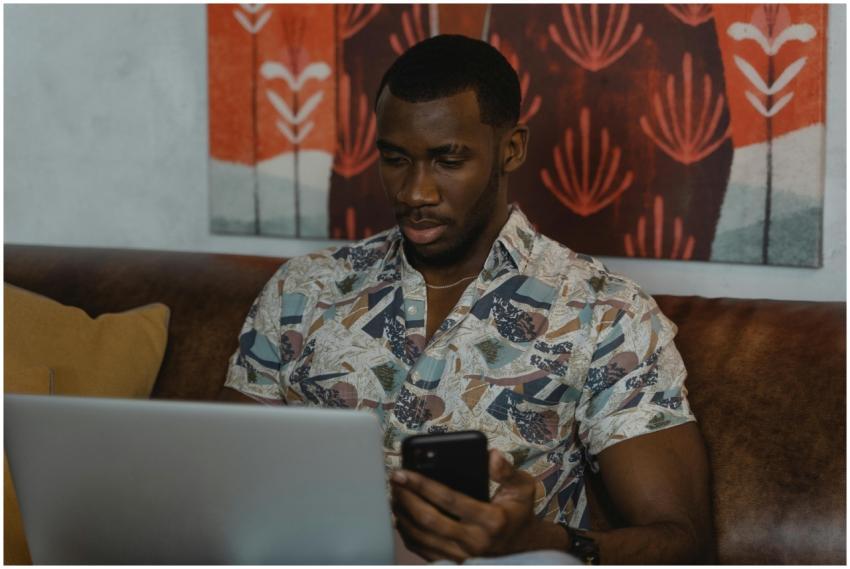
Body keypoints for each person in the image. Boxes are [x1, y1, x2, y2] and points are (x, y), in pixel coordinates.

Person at [220, 34, 713, 564]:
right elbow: (219, 486)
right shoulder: (301, 290)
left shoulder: (606, 314)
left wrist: (543, 542)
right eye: (395, 159)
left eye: (448, 160)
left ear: (511, 149)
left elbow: (683, 545)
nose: (415, 192)